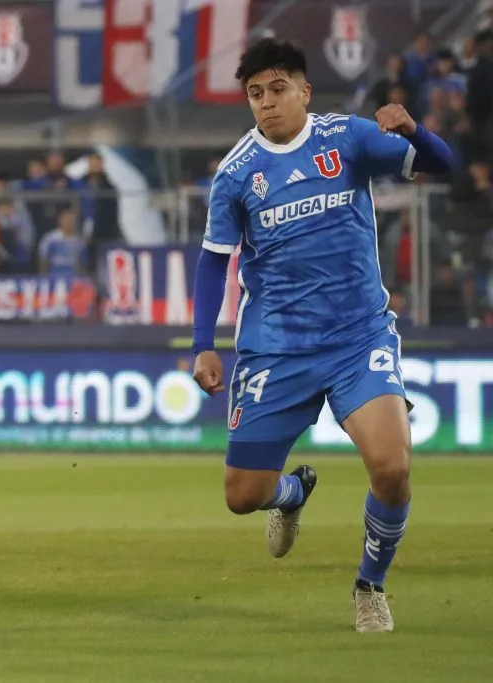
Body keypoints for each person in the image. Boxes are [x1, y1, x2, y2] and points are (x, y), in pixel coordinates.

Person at [191, 38, 454, 633]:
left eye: (277, 89)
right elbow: (214, 261)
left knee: (391, 467)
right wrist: (202, 342)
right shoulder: (236, 174)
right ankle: (291, 493)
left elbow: (441, 164)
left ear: (305, 92)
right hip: (275, 348)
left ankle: (370, 586)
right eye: (255, 93)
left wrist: (413, 131)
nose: (266, 103)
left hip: (358, 337)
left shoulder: (349, 138)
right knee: (241, 495)